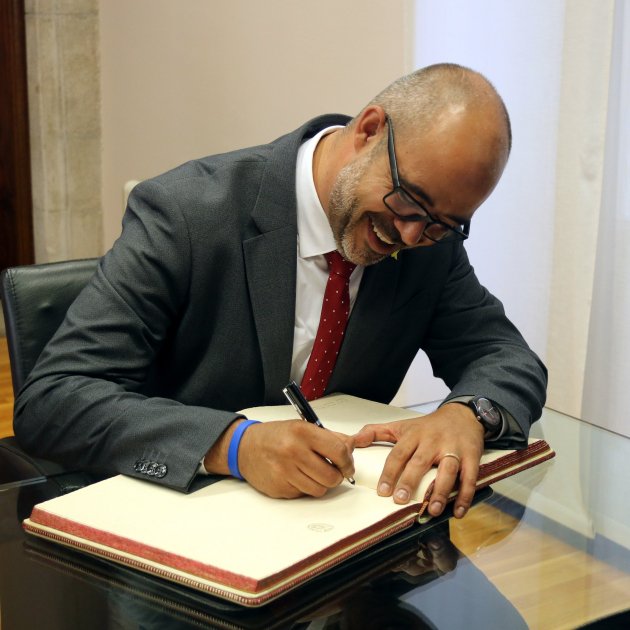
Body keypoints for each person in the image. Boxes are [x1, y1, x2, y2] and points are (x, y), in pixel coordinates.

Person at [14, 63, 547, 520]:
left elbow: (505, 356)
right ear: (368, 130)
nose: (410, 236)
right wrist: (233, 445)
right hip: (179, 518)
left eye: (444, 224)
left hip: (334, 526)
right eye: (409, 200)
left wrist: (468, 413)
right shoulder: (187, 213)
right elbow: (53, 400)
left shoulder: (428, 242)